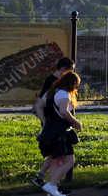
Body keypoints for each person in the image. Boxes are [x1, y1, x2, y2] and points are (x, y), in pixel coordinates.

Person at [37, 71, 83, 196]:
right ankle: (51, 186)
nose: (76, 87)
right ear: (72, 83)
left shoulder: (52, 92)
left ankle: (52, 189)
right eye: (76, 84)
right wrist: (76, 122)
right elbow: (64, 112)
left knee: (58, 161)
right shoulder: (64, 94)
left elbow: (39, 106)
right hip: (60, 134)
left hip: (49, 132)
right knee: (69, 160)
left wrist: (44, 121)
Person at [32, 57, 75, 188]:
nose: (72, 74)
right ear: (63, 69)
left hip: (60, 124)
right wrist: (44, 122)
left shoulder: (59, 82)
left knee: (58, 155)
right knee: (60, 156)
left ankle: (47, 180)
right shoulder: (53, 82)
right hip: (55, 125)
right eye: (71, 71)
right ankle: (52, 183)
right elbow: (39, 104)